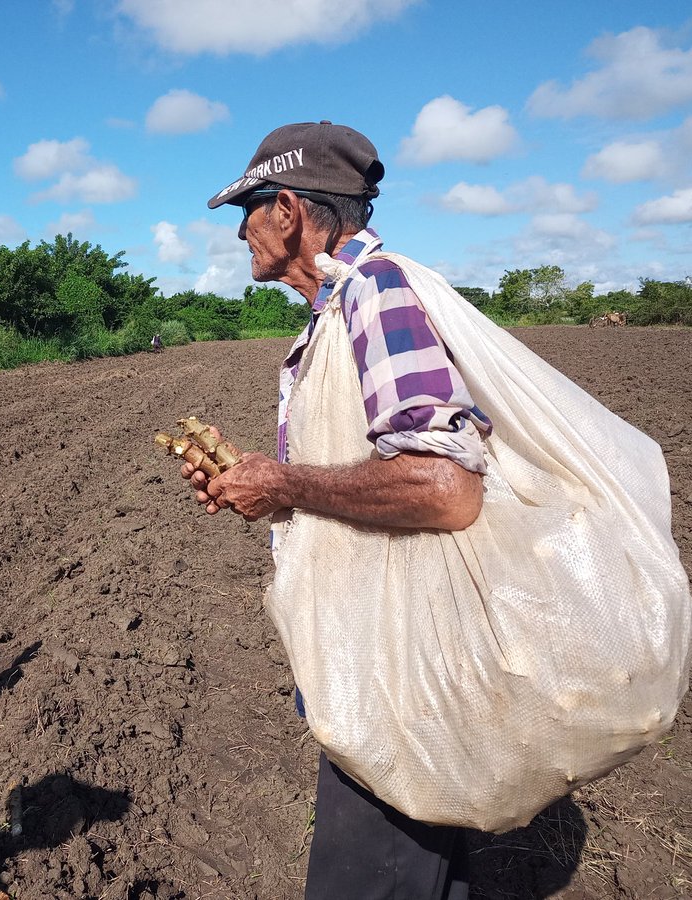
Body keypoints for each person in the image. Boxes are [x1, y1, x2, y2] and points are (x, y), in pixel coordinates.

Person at [191, 122, 489, 899]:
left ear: (288, 210)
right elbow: (365, 466)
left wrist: (286, 485)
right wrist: (260, 481)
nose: (240, 232)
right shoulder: (338, 306)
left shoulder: (374, 292)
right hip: (379, 651)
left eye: (247, 210)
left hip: (398, 671)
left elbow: (444, 486)